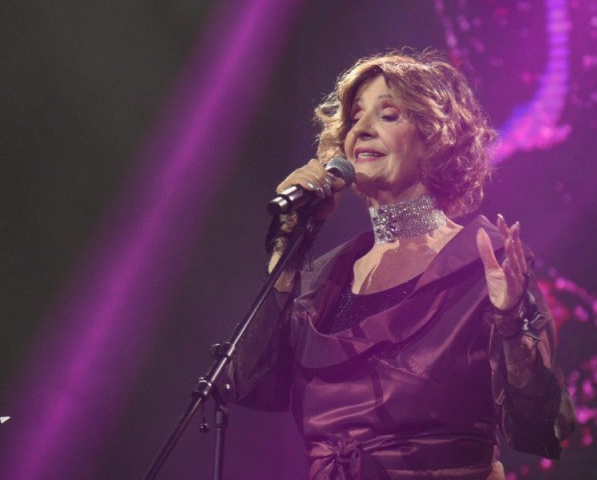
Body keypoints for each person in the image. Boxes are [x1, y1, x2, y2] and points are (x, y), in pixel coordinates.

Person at [221, 50, 574, 479]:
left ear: (436, 139)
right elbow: (246, 384)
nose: (362, 129)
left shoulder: (483, 262)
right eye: (354, 118)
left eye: (388, 115)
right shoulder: (323, 280)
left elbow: (540, 428)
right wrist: (288, 247)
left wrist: (512, 323)